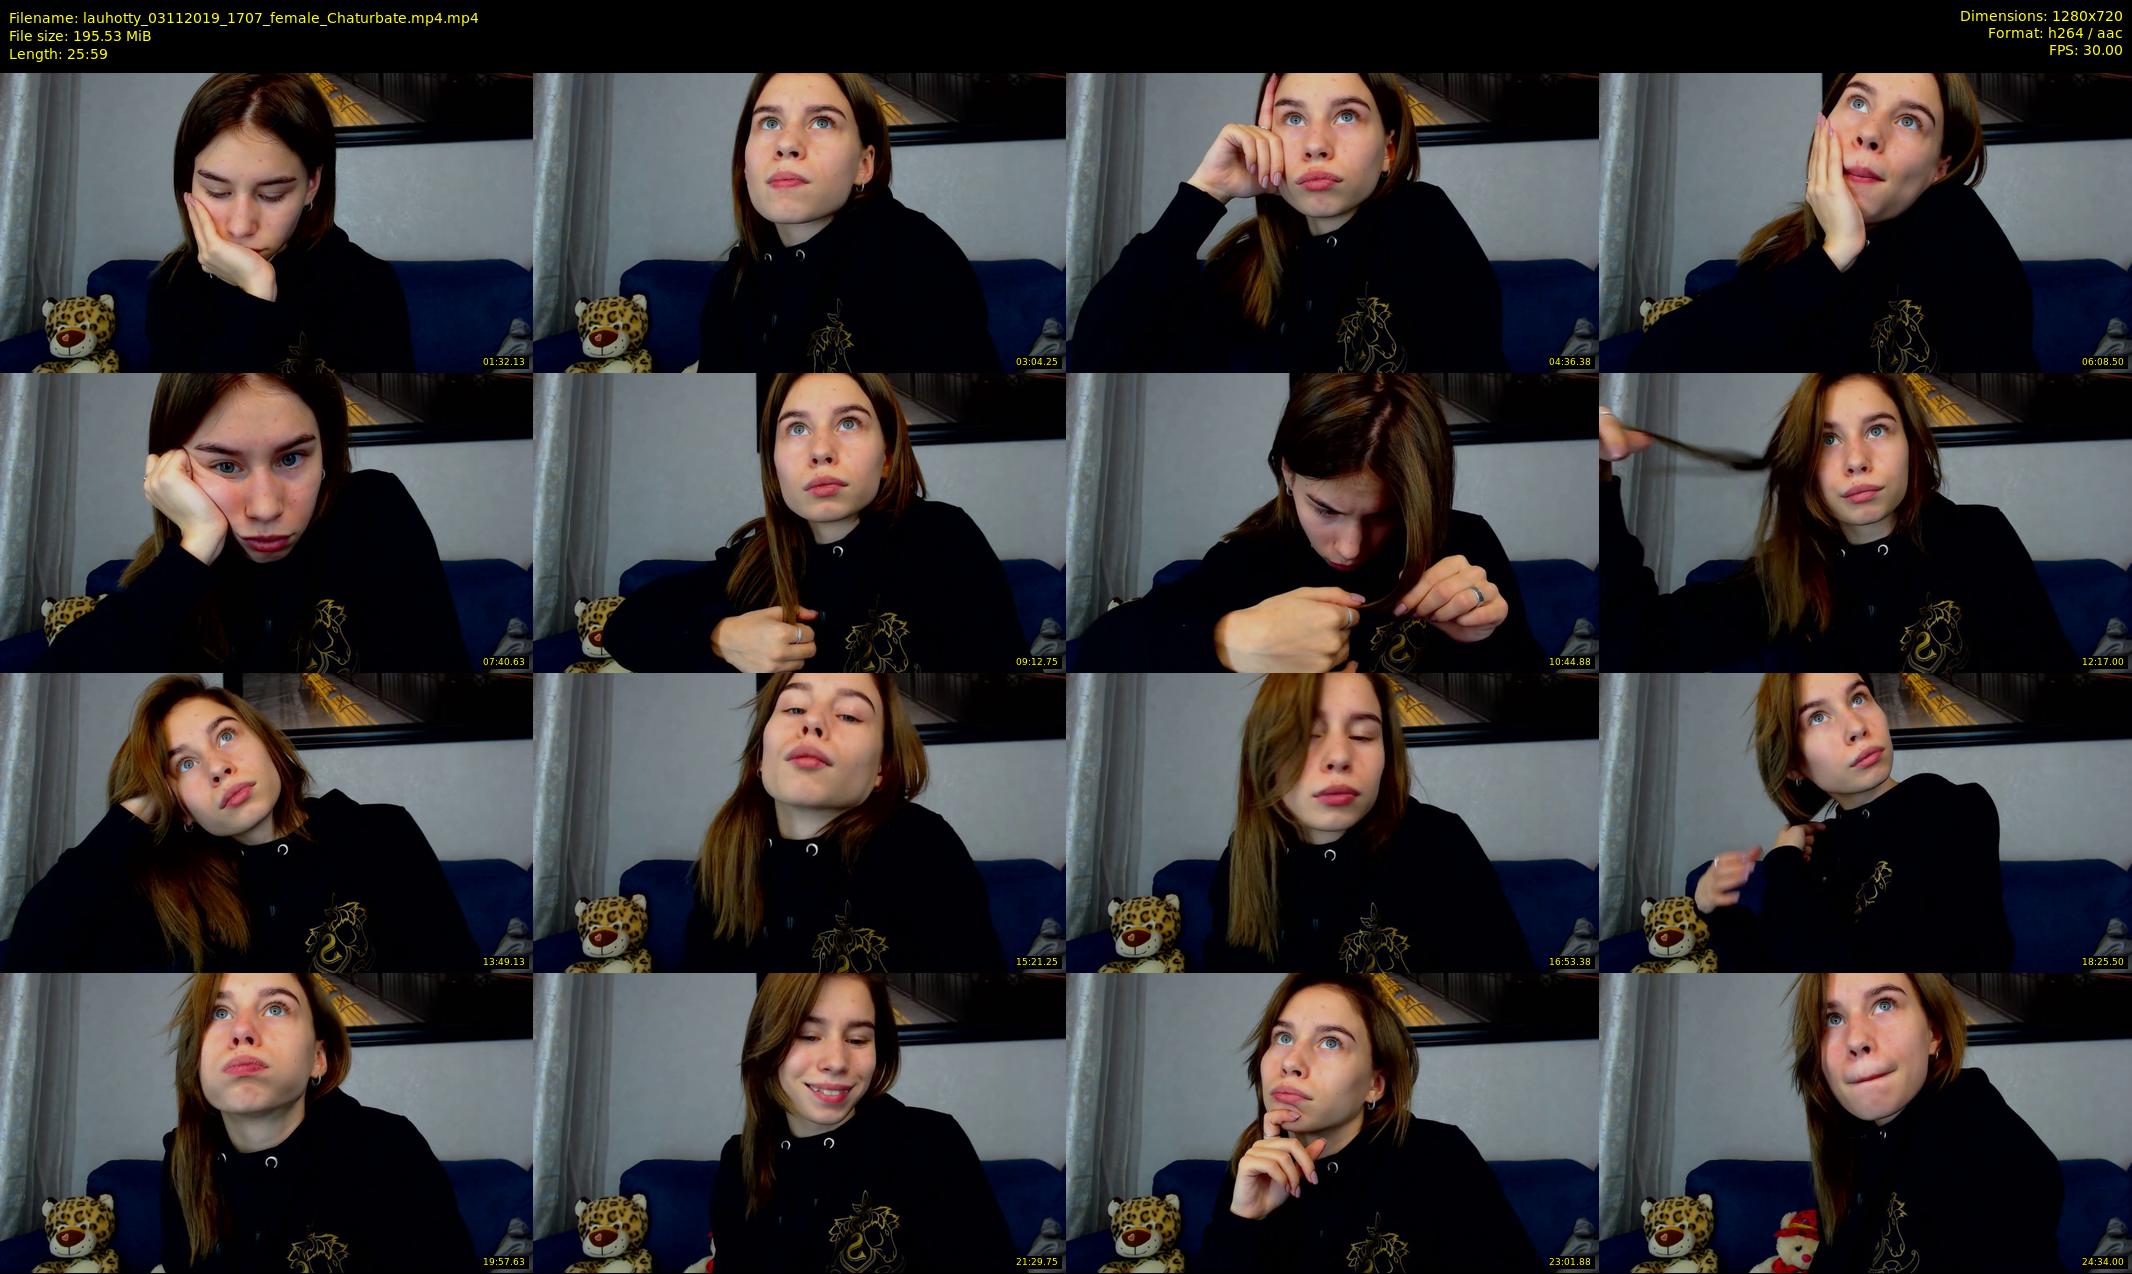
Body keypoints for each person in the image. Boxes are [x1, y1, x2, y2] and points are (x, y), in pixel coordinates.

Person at [3, 676, 477, 972]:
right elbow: (28, 953)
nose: (217, 767)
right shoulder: (171, 901)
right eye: (185, 764)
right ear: (179, 808)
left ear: (268, 744)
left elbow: (457, 964)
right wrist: (135, 810)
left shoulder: (380, 832)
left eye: (226, 735)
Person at [1599, 374, 2072, 671]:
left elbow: (2053, 670)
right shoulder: (1778, 580)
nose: (1856, 460)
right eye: (1828, 440)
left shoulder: (1979, 537)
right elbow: (1634, 644)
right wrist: (1600, 478)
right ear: (1803, 466)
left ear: (1912, 446)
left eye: (1877, 430)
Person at [1075, 372, 1539, 672]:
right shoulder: (1248, 559)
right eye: (1326, 510)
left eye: (1385, 516)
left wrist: (1489, 636)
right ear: (1288, 474)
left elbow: (1535, 678)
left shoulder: (1466, 539)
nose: (1350, 548)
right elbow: (1097, 649)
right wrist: (1229, 639)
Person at [40, 371, 467, 673]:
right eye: (226, 466)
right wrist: (196, 548)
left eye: (291, 458)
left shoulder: (375, 510)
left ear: (327, 453)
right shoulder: (169, 577)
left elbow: (441, 665)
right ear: (174, 470)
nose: (265, 508)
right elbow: (63, 666)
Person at [1072, 73, 1504, 371]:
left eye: (1346, 115)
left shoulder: (1421, 220)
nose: (1316, 144)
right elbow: (1092, 358)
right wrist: (1206, 191)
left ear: (1388, 150)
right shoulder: (1242, 269)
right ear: (1267, 138)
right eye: (1294, 119)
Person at [599, 371, 1024, 672]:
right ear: (775, 465)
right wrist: (719, 637)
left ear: (887, 456)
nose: (821, 450)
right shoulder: (757, 556)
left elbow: (1007, 668)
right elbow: (623, 630)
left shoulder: (943, 536)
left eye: (849, 423)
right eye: (797, 429)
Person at [1628, 73, 2031, 372]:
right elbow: (1658, 354)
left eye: (1909, 120)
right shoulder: (1787, 249)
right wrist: (1834, 253)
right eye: (1858, 102)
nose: (1870, 133)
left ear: (1939, 168)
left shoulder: (1957, 224)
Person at [1199, 973, 1538, 1272]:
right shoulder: (1253, 1164)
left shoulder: (1438, 1154)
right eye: (1283, 1037)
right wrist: (1244, 1221)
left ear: (1374, 1085)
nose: (1291, 1062)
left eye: (1330, 1042)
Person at [1207, 672, 1532, 971]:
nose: (1339, 757)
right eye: (1307, 734)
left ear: (1387, 753)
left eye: (1362, 736)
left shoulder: (1440, 840)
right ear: (1264, 756)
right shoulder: (1242, 856)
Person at [1687, 672, 2013, 970]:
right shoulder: (1817, 852)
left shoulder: (1955, 807)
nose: (1857, 726)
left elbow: (1849, 962)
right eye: (1817, 717)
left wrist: (1783, 862)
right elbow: (1771, 960)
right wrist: (1709, 905)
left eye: (1858, 698)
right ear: (1794, 766)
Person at [158, 970, 477, 1271]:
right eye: (219, 1012)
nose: (242, 1030)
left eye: (275, 1008)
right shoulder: (181, 1159)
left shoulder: (389, 1149)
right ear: (196, 1059)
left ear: (318, 1058)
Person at [682, 672, 1003, 971]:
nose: (812, 721)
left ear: (881, 767)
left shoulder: (923, 845)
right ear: (760, 759)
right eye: (794, 708)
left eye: (849, 715)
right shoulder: (724, 852)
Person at [708, 973, 1013, 1271]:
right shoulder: (739, 1161)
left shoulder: (932, 1142)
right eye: (809, 1036)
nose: (837, 1062)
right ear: (765, 1043)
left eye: (857, 1039)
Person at [697, 72, 995, 371]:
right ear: (745, 164)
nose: (786, 143)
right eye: (770, 123)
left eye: (822, 122)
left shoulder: (922, 261)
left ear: (864, 165)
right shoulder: (733, 280)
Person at [1786, 972, 2060, 1272]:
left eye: (1884, 1004)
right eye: (1833, 1019)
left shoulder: (1981, 1139)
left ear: (1934, 1032)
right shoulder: (1851, 1140)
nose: (1856, 1040)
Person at [147, 73, 414, 372]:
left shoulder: (368, 287)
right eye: (217, 191)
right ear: (189, 182)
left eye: (271, 195)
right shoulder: (172, 284)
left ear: (311, 184)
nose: (240, 227)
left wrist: (257, 295)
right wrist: (255, 292)